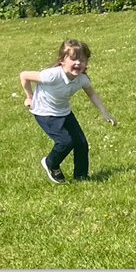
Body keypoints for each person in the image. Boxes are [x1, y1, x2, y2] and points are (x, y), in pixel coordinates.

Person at [20, 39, 117, 183]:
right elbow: (24, 75)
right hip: (45, 112)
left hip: (63, 112)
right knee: (65, 142)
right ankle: (50, 163)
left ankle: (81, 176)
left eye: (82, 60)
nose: (78, 63)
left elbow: (91, 94)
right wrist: (29, 97)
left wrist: (104, 112)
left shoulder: (82, 79)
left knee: (81, 143)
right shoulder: (52, 75)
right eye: (73, 59)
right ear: (62, 61)